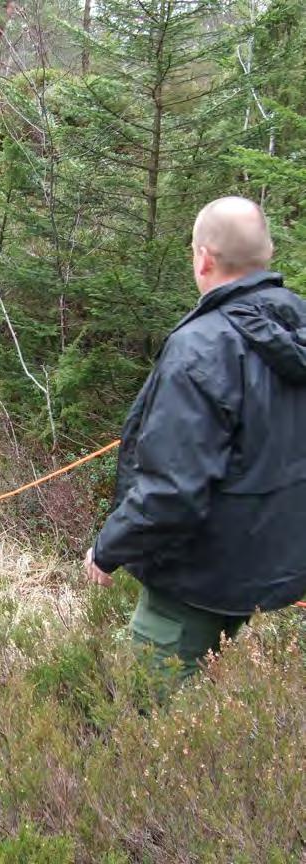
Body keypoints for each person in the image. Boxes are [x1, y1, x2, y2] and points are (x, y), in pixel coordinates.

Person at [84, 196, 306, 679]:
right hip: (276, 567)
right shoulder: (298, 322)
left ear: (202, 257)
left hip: (199, 577)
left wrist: (109, 548)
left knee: (148, 711)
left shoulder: (200, 348)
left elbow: (173, 489)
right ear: (265, 253)